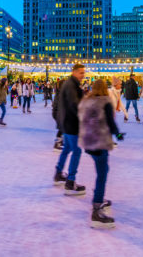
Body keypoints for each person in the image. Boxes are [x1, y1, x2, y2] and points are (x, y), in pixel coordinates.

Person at [78, 79, 124, 229]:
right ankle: (97, 210)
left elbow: (81, 120)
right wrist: (118, 135)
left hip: (88, 142)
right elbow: (111, 123)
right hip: (99, 142)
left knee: (101, 171)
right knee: (102, 173)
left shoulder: (86, 101)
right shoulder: (105, 102)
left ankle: (98, 197)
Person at [54, 63, 86, 195]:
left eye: (84, 73)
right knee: (77, 151)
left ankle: (58, 173)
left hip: (66, 122)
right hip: (71, 123)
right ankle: (70, 181)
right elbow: (75, 104)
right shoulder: (71, 85)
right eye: (81, 73)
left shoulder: (70, 84)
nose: (83, 76)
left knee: (67, 149)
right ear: (74, 72)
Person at [52, 80, 65, 152]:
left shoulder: (61, 92)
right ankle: (57, 144)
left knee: (62, 128)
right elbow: (58, 105)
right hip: (58, 113)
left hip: (58, 113)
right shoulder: (60, 93)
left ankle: (60, 142)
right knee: (62, 128)